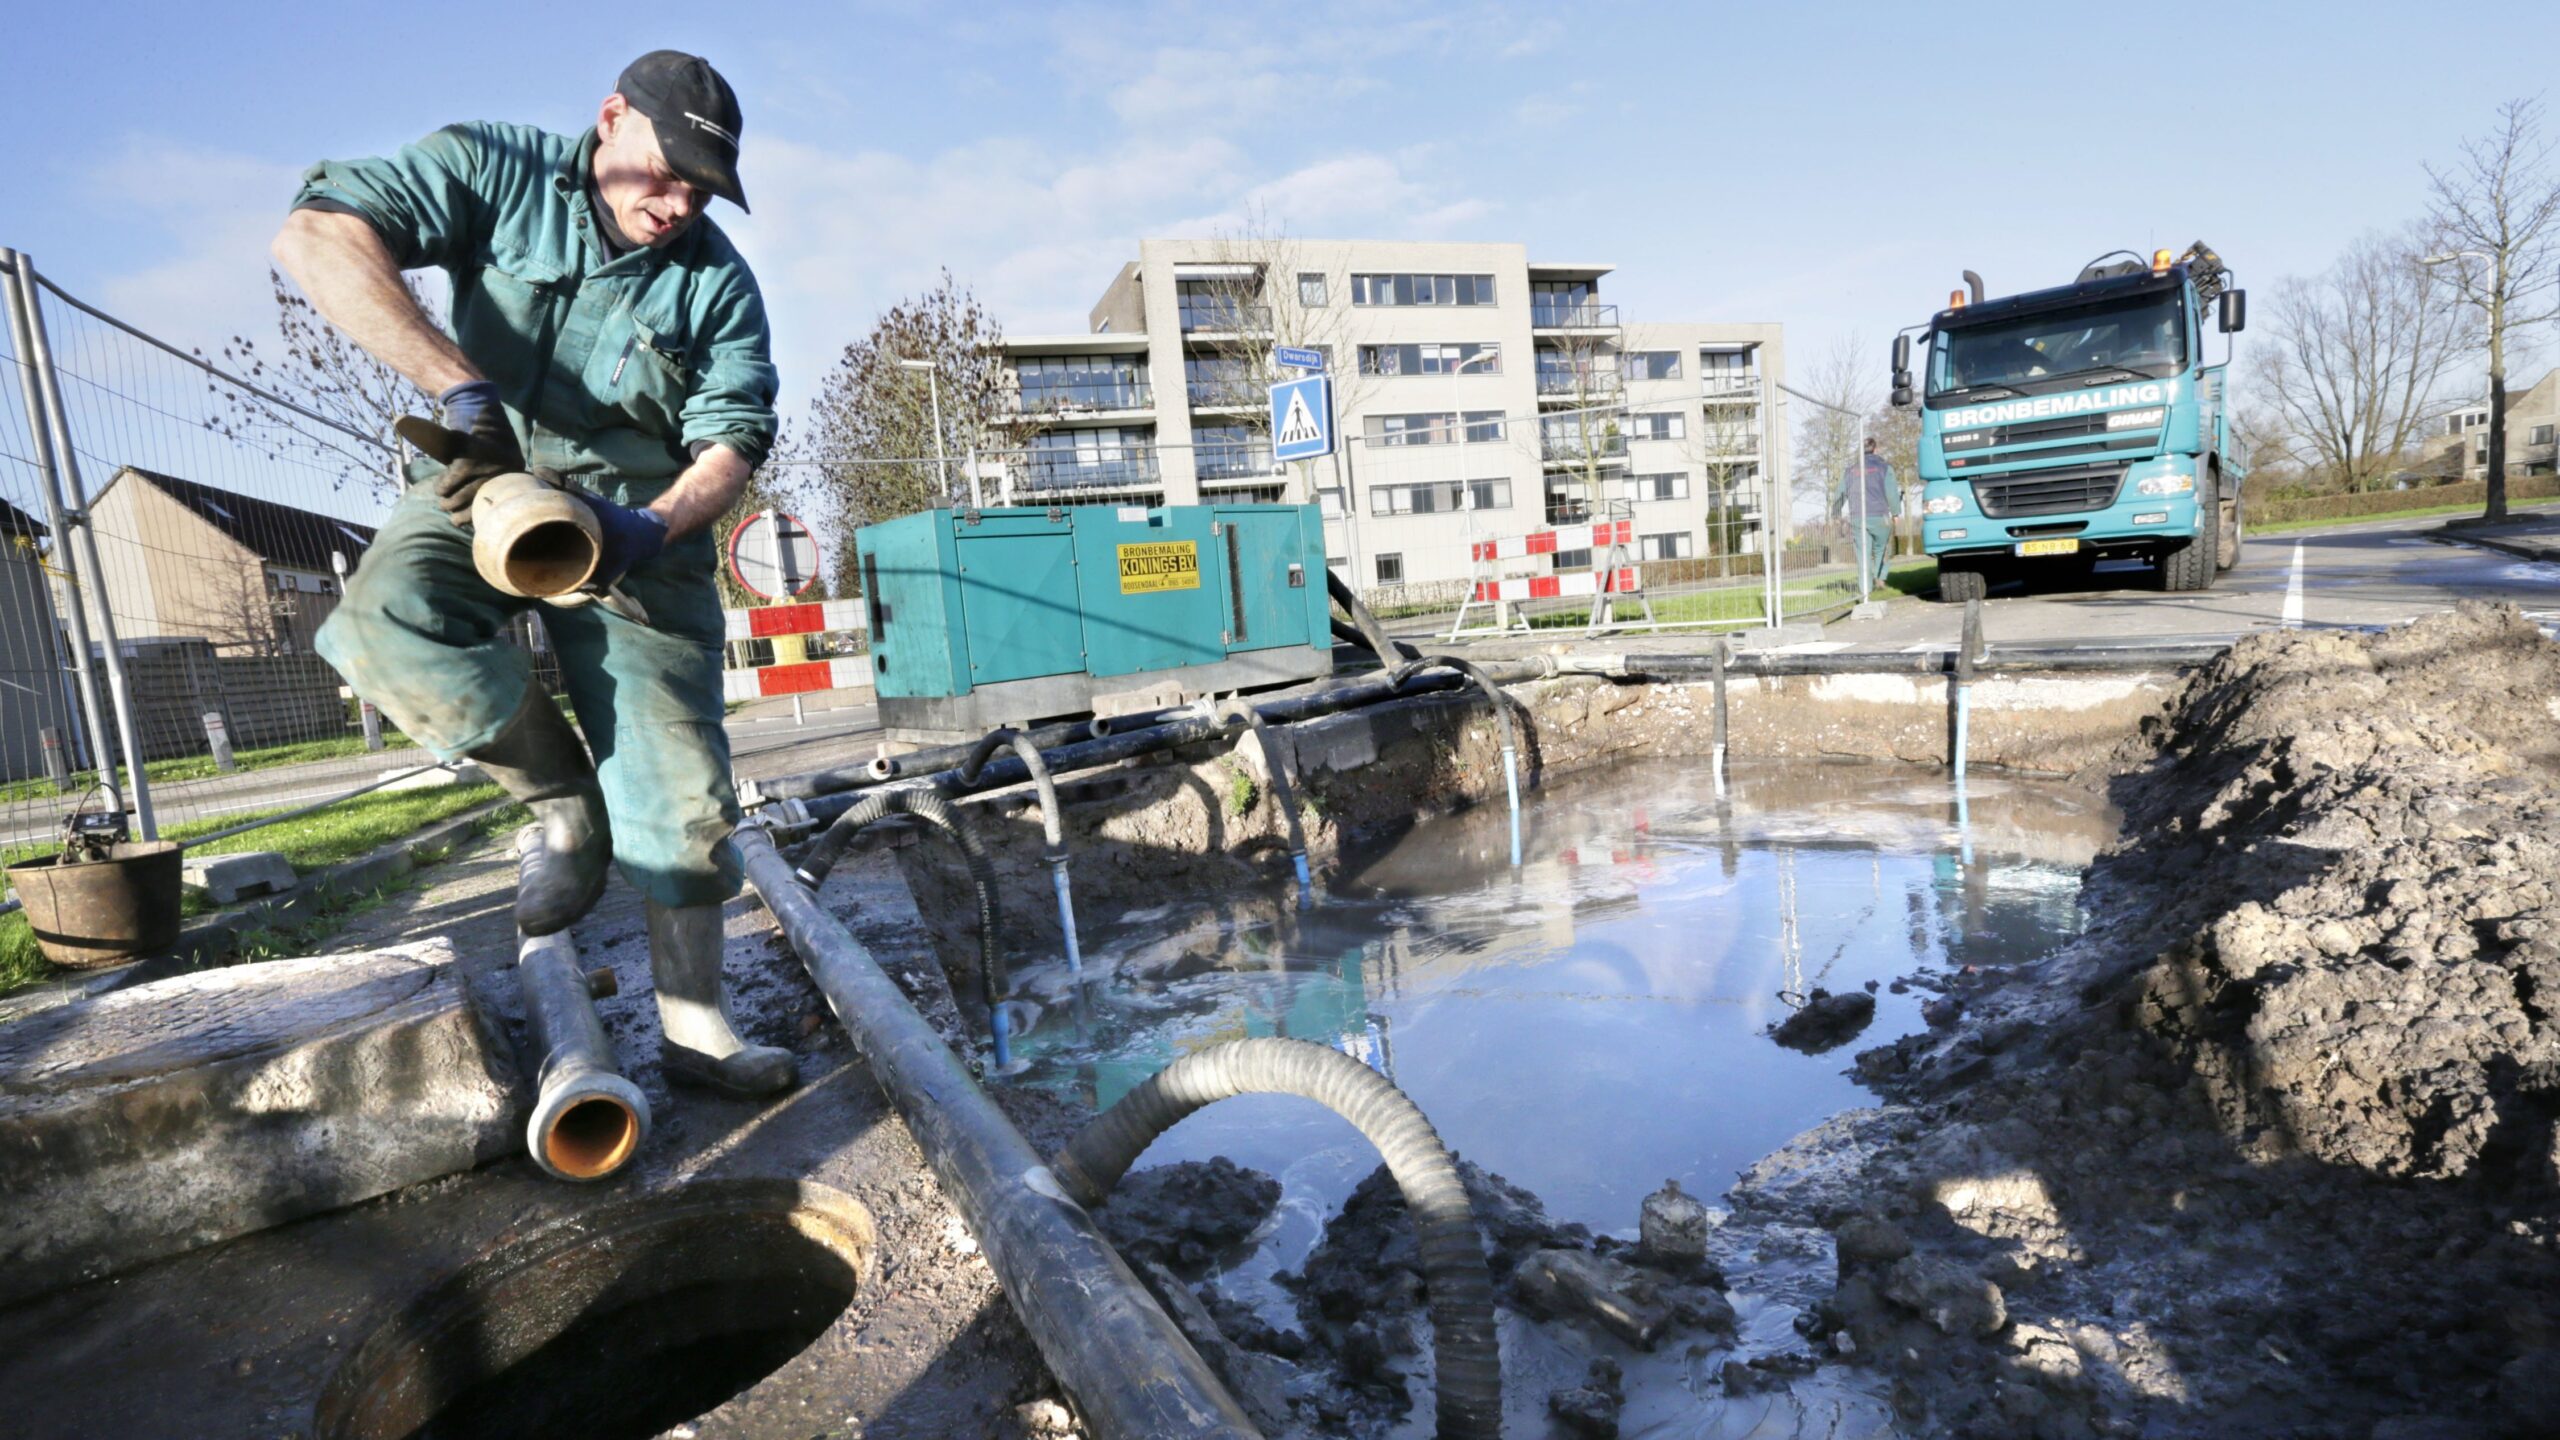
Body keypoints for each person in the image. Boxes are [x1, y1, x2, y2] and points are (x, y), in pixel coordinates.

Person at [274, 51, 793, 1099]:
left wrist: (648, 530)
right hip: (489, 487)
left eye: (698, 188)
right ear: (610, 120)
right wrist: (458, 386)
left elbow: (733, 440)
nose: (674, 203)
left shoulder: (715, 283)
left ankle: (697, 1030)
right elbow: (315, 233)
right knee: (381, 622)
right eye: (659, 173)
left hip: (640, 521)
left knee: (682, 797)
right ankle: (566, 805)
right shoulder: (494, 169)